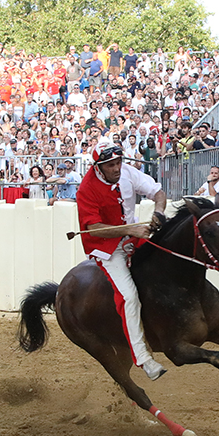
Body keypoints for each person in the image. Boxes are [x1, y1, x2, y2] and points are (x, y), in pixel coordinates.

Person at [76, 142, 169, 381]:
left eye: (119, 162)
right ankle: (143, 358)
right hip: (108, 248)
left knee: (171, 260)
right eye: (111, 165)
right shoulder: (86, 189)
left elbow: (157, 192)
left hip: (134, 234)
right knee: (128, 295)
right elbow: (93, 228)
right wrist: (132, 230)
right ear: (98, 167)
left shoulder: (126, 171)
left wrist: (158, 212)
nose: (117, 168)